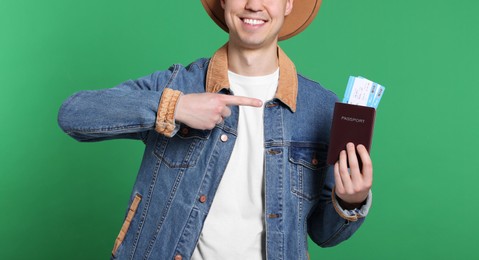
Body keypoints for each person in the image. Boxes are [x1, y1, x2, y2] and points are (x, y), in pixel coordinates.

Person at [58, 0, 373, 259]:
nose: (253, 5)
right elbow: (73, 114)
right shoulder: (178, 85)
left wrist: (350, 201)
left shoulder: (322, 108)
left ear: (288, 4)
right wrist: (174, 108)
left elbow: (324, 235)